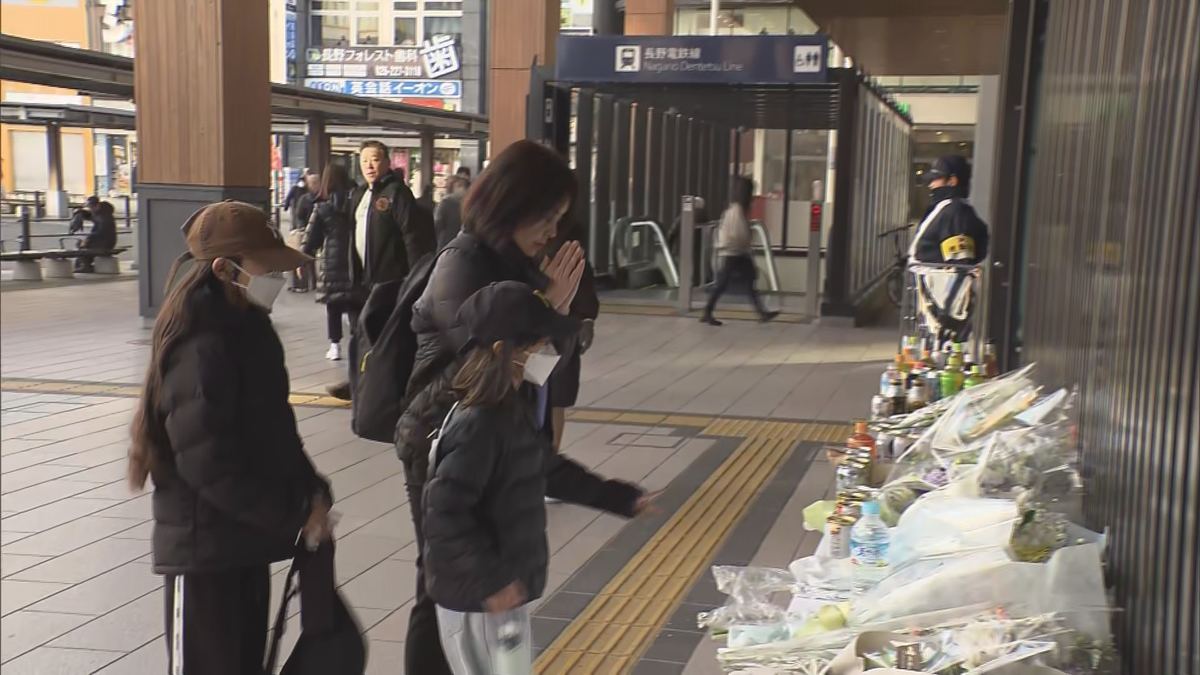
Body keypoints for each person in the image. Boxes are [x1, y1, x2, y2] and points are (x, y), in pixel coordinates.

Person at [396, 140, 610, 675]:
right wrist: (549, 312)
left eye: (559, 218)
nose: (552, 231)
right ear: (510, 204)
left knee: (470, 579)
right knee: (443, 582)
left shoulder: (511, 261)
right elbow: (487, 372)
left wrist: (550, 312)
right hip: (444, 444)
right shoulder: (464, 264)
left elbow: (520, 374)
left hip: (487, 441)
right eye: (546, 216)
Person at [127, 200, 333, 674]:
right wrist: (292, 511)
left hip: (244, 542)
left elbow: (276, 429)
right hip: (202, 554)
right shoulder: (199, 348)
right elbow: (207, 465)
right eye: (267, 267)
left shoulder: (251, 330)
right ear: (225, 268)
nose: (278, 279)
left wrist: (311, 489)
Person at [424, 281, 652, 675]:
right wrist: (493, 581)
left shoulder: (513, 407)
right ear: (502, 352)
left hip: (502, 589)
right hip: (477, 597)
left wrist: (618, 498)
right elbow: (443, 515)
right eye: (536, 346)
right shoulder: (479, 422)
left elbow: (546, 469)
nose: (546, 353)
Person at [326, 140, 437, 400]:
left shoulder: (397, 193)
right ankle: (357, 383)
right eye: (364, 160)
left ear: (386, 162)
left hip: (390, 282)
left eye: (375, 159)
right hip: (360, 282)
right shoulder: (358, 195)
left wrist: (414, 280)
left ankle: (385, 389)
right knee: (358, 335)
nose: (369, 165)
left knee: (385, 338)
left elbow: (412, 237)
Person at [909, 155, 991, 343]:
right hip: (935, 305)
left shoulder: (955, 213)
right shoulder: (947, 209)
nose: (931, 186)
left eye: (935, 180)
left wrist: (947, 318)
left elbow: (960, 268)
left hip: (943, 313)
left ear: (952, 181)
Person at [303, 164, 367, 362]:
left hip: (331, 263)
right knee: (356, 304)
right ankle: (359, 345)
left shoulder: (322, 207)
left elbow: (311, 238)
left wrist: (302, 259)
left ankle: (335, 346)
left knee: (333, 306)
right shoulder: (358, 202)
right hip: (356, 260)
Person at [701, 177, 778, 325]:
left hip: (738, 253)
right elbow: (739, 234)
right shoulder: (737, 210)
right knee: (724, 284)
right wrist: (749, 237)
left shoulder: (738, 208)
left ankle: (762, 313)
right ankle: (707, 311)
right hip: (733, 253)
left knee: (746, 282)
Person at [289, 173, 320, 292]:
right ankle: (303, 283)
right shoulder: (305, 198)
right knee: (304, 257)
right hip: (306, 231)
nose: (313, 185)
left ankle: (313, 283)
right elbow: (299, 216)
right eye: (311, 183)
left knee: (311, 259)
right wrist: (301, 227)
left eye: (315, 182)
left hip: (317, 232)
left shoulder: (323, 197)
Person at [70, 196, 118, 273]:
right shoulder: (100, 212)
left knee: (83, 245)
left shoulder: (105, 216)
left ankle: (86, 266)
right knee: (83, 244)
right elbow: (92, 216)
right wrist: (81, 212)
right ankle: (84, 265)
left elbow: (101, 231)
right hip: (102, 240)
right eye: (89, 207)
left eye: (91, 207)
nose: (90, 209)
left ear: (97, 205)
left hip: (106, 242)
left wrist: (87, 239)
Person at [434, 175, 469, 248]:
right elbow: (437, 224)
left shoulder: (466, 204)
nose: (462, 189)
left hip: (460, 243)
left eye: (464, 186)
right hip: (445, 242)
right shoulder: (444, 203)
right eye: (459, 186)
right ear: (452, 188)